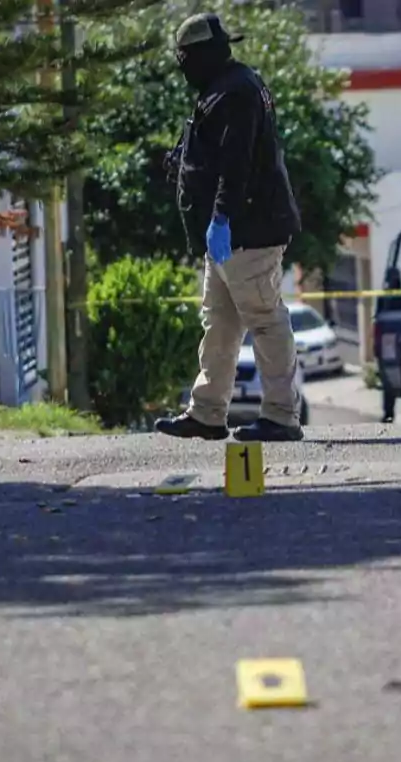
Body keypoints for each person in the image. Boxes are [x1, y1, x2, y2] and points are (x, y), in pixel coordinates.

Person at [154, 11, 304, 443]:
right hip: (225, 236)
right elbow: (214, 152)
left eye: (185, 58)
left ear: (200, 55)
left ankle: (280, 415)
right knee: (219, 321)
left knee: (265, 319)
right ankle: (207, 413)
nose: (182, 67)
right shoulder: (222, 88)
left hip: (246, 230)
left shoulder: (236, 91)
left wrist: (220, 217)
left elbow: (236, 165)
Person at [375, 266, 401, 423]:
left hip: (397, 343)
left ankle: (388, 413)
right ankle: (388, 413)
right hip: (388, 344)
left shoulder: (398, 297)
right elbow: (378, 324)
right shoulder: (384, 299)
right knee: (388, 382)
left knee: (389, 382)